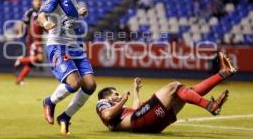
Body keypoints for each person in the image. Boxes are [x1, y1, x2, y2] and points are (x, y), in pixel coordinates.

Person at [96, 52, 237, 133]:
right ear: (107, 96)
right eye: (115, 94)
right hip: (139, 122)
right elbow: (107, 114)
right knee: (174, 86)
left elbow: (136, 110)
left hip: (149, 124)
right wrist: (122, 100)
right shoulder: (102, 103)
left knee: (185, 93)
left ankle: (223, 73)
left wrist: (135, 91)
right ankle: (210, 105)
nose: (119, 95)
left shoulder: (120, 113)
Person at [37, 0, 96, 135]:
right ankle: (49, 101)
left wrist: (79, 12)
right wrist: (46, 23)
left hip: (75, 47)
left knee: (90, 85)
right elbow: (41, 14)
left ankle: (65, 116)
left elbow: (66, 18)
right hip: (59, 45)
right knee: (75, 83)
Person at [14, 0, 44, 84]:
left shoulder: (43, 12)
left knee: (31, 63)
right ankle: (20, 60)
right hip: (33, 40)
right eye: (36, 0)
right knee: (39, 58)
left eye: (39, 0)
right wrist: (20, 32)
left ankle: (20, 79)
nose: (38, 2)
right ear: (32, 2)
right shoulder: (30, 12)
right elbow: (21, 22)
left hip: (39, 39)